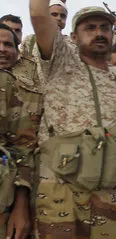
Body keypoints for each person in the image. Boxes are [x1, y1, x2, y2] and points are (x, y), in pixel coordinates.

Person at [29, 0, 116, 237]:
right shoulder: (60, 60)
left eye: (105, 28)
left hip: (109, 190)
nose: (99, 33)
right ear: (73, 36)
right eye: (90, 27)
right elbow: (38, 12)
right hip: (62, 188)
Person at [0, 23, 42, 239]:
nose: (2, 49)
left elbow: (24, 147)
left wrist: (21, 204)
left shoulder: (9, 87)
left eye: (8, 44)